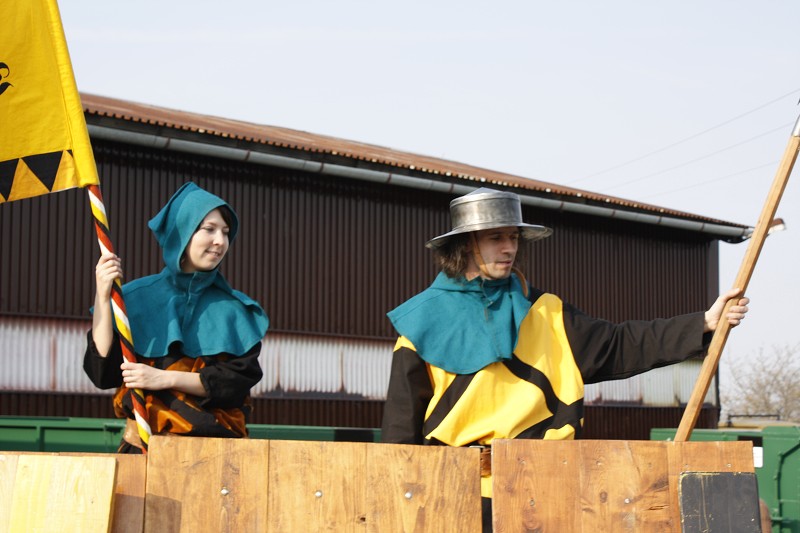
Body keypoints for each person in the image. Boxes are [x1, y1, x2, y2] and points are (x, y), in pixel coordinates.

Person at [379, 187, 750, 530]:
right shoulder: (420, 323)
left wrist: (703, 323)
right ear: (465, 244)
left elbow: (619, 345)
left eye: (513, 237)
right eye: (496, 238)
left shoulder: (548, 312)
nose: (509, 248)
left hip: (543, 491)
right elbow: (401, 428)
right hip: (453, 494)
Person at [83, 182, 269, 453]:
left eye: (226, 232)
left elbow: (235, 385)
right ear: (181, 232)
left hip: (220, 457)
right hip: (144, 454)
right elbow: (103, 375)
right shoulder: (132, 299)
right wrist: (102, 297)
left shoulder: (236, 309)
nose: (220, 241)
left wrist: (165, 378)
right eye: (209, 229)